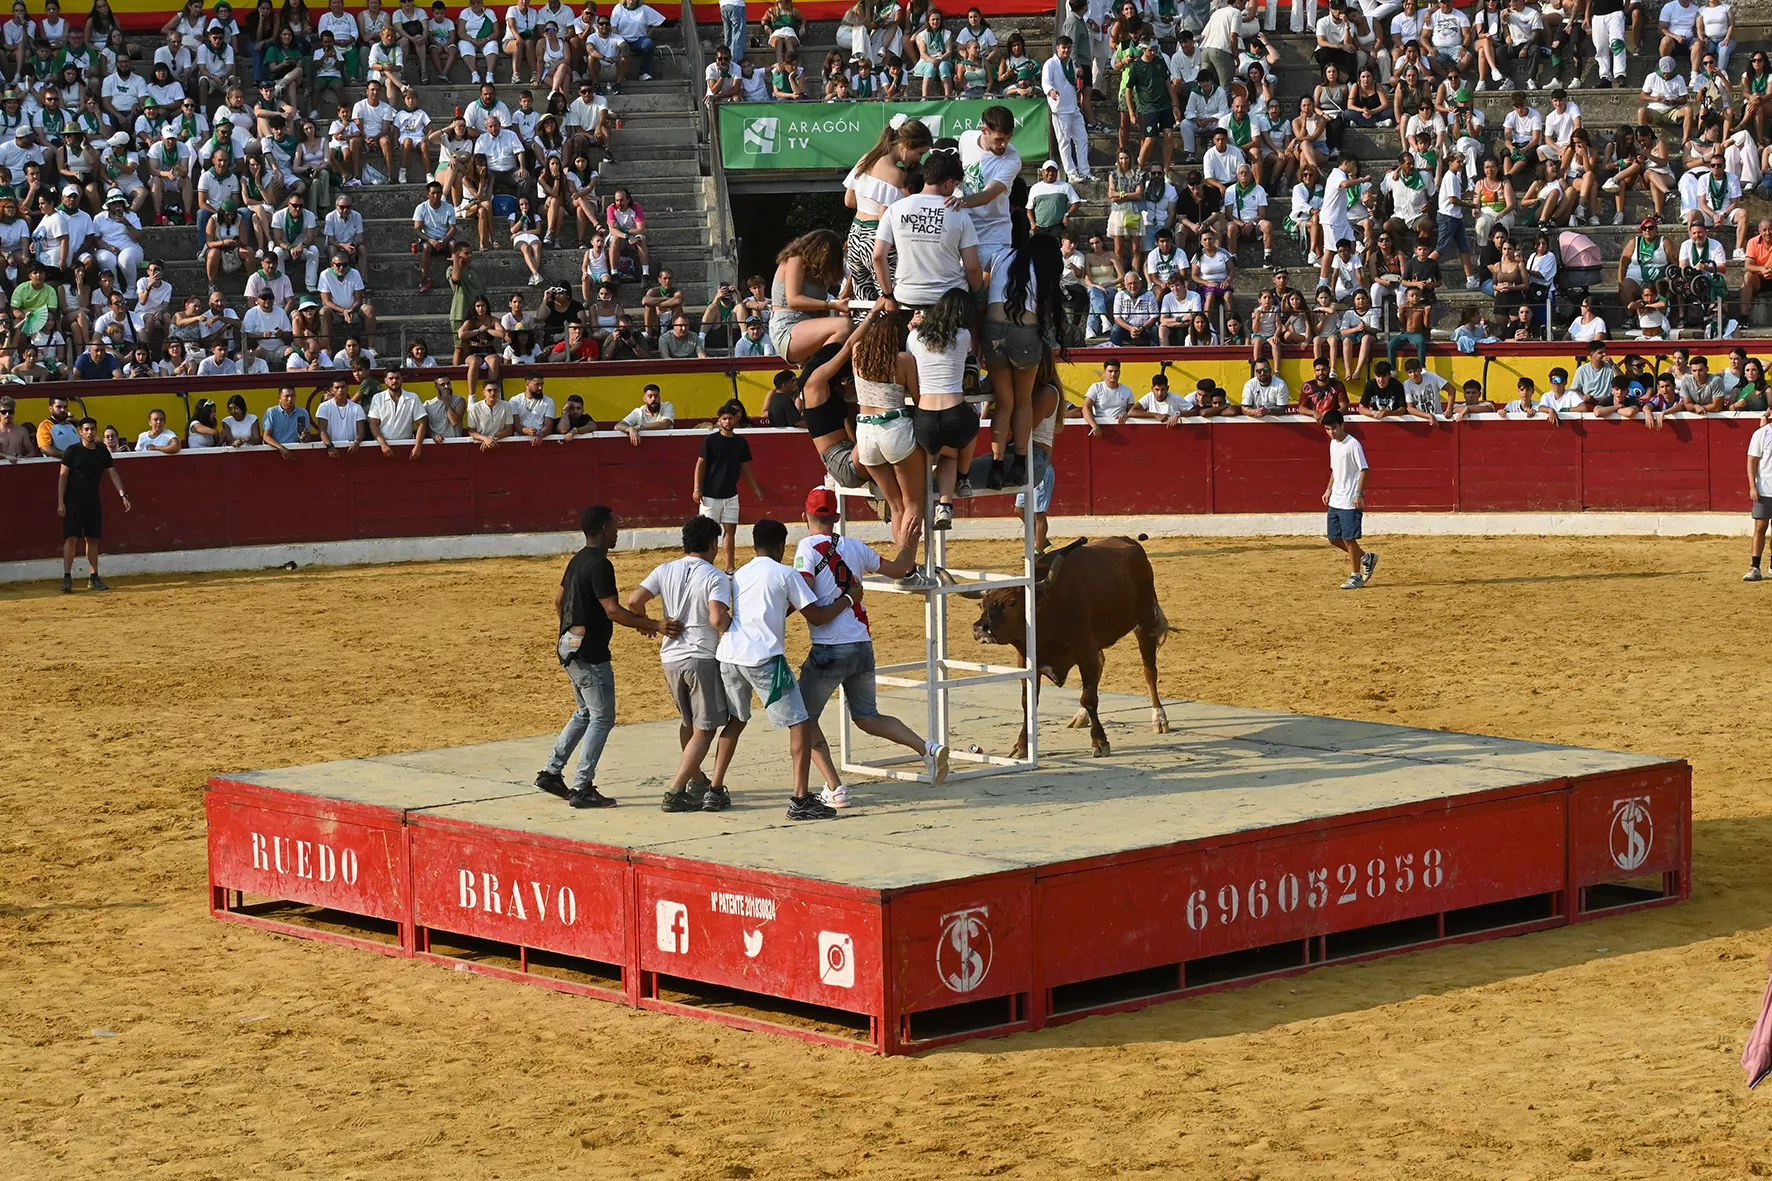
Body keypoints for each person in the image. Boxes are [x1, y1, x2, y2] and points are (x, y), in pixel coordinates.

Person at [793, 487, 951, 810]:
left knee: (802, 718)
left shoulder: (806, 547)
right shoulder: (854, 547)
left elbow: (804, 592)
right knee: (867, 716)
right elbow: (900, 568)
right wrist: (910, 542)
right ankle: (927, 749)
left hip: (828, 649)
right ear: (837, 517)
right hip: (861, 644)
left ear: (805, 517)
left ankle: (834, 788)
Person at [536, 505, 680, 809]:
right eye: (614, 526)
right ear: (604, 529)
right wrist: (654, 625)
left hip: (569, 646)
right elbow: (612, 611)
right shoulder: (600, 564)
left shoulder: (577, 559)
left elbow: (559, 601)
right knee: (602, 717)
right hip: (590, 651)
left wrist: (573, 631)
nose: (617, 531)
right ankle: (582, 787)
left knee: (586, 713)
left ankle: (551, 772)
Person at [714, 516, 848, 821]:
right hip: (765, 658)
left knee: (736, 720)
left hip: (731, 655)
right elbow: (816, 616)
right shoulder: (786, 573)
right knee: (800, 724)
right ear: (780, 546)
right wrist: (849, 599)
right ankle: (800, 799)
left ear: (754, 544)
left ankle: (715, 788)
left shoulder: (739, 573)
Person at [628, 516, 742, 812]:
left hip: (670, 657)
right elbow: (717, 619)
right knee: (705, 728)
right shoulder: (716, 576)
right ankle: (676, 789)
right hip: (700, 656)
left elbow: (635, 600)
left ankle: (696, 779)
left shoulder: (665, 569)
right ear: (713, 543)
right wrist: (736, 628)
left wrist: (652, 624)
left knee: (688, 723)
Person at [874, 146, 983, 312]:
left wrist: (888, 295)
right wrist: (978, 296)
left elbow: (877, 256)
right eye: (955, 185)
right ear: (948, 183)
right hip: (949, 299)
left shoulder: (895, 209)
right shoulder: (959, 214)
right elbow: (972, 266)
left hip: (907, 297)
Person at [57, 417, 129, 593]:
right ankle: (67, 577)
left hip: (92, 500)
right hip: (73, 500)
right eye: (86, 429)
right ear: (80, 431)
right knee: (71, 538)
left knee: (92, 538)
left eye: (92, 429)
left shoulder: (101, 451)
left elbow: (113, 473)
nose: (90, 432)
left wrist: (122, 494)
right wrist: (60, 502)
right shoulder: (72, 451)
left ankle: (93, 576)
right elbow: (62, 477)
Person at [696, 399, 763, 573]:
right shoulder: (711, 441)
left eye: (730, 418)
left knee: (730, 530)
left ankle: (729, 567)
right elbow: (700, 465)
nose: (727, 421)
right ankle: (706, 566)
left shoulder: (740, 442)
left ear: (735, 420)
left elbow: (745, 468)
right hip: (710, 494)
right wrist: (697, 488)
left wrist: (755, 488)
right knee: (708, 533)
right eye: (724, 418)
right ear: (719, 420)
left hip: (731, 494)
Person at [1321, 409, 1376, 589]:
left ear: (1342, 425)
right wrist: (1329, 489)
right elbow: (1334, 470)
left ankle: (1356, 575)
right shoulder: (1333, 444)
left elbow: (1364, 470)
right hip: (1336, 498)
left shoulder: (1353, 444)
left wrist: (1359, 493)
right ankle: (1366, 558)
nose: (1331, 432)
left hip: (1350, 499)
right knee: (1334, 538)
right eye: (1327, 429)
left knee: (1349, 539)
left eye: (1334, 428)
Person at [1747, 413, 1772, 580]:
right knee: (1760, 527)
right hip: (1765, 488)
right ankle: (1755, 566)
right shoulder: (1761, 434)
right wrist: (1752, 486)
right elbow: (1751, 461)